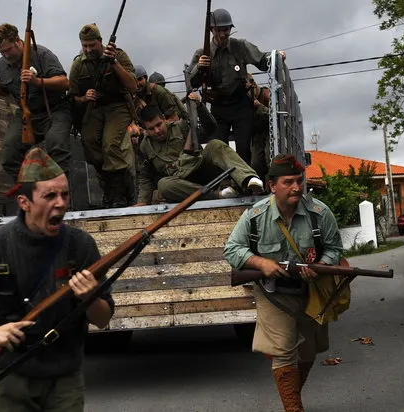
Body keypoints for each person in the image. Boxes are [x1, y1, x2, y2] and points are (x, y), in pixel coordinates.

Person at [0, 147, 114, 412]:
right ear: (24, 203)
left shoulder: (80, 245)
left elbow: (103, 318)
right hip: (10, 373)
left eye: (64, 194)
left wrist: (90, 295)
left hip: (65, 376)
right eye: (49, 195)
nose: (61, 203)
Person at [223, 154, 344, 412]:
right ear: (272, 186)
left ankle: (291, 397)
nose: (296, 187)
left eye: (299, 181)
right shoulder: (255, 217)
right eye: (288, 182)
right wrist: (261, 263)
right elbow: (232, 250)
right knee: (283, 351)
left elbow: (335, 248)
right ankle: (293, 408)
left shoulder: (320, 214)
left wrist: (321, 265)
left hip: (311, 293)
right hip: (273, 294)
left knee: (309, 351)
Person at [0, 23, 72, 183]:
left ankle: (61, 196)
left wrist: (37, 81)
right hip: (26, 114)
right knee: (9, 156)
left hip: (55, 109)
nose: (5, 55)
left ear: (17, 41)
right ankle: (33, 191)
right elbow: (4, 89)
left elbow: (64, 82)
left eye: (8, 50)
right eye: (1, 52)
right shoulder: (3, 64)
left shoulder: (41, 54)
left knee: (57, 146)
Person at [188, 8, 286, 166]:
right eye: (218, 30)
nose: (222, 35)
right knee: (218, 147)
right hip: (218, 106)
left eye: (226, 30)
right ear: (212, 30)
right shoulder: (202, 53)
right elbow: (192, 83)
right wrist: (199, 67)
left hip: (241, 104)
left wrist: (276, 57)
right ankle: (224, 185)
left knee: (243, 148)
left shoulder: (239, 46)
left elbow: (261, 60)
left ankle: (245, 185)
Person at [135, 105, 263, 205]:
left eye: (159, 125)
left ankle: (248, 179)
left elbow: (210, 128)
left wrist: (200, 107)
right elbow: (145, 177)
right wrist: (142, 202)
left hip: (201, 168)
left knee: (215, 144)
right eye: (151, 128)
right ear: (145, 129)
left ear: (164, 119)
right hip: (183, 184)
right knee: (163, 185)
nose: (157, 131)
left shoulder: (181, 127)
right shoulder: (145, 147)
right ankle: (217, 195)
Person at [69, 23, 138, 208]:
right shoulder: (78, 64)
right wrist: (84, 98)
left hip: (118, 105)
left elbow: (132, 86)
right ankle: (113, 187)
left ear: (100, 42)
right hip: (94, 107)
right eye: (85, 45)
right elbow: (72, 94)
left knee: (110, 144)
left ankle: (118, 195)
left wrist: (114, 62)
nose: (88, 49)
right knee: (89, 142)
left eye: (92, 45)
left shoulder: (118, 55)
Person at [247, 73, 272, 179]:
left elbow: (276, 117)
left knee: (270, 159)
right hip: (256, 135)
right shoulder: (244, 101)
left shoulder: (267, 95)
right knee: (255, 164)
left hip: (270, 132)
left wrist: (260, 107)